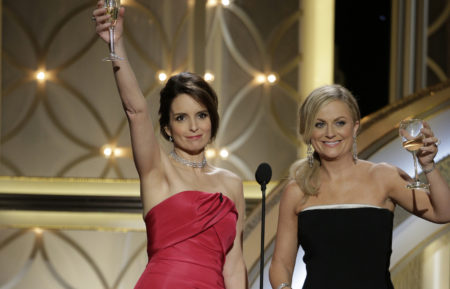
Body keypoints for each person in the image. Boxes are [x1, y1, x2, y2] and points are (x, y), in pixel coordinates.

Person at [92, 2, 248, 288]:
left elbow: (235, 265)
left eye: (201, 115)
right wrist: (116, 45)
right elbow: (135, 111)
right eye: (181, 117)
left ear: (212, 119)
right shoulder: (158, 170)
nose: (193, 126)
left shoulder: (232, 184)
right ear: (166, 127)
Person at [269, 84, 450, 289]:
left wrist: (428, 166)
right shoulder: (297, 190)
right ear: (308, 131)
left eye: (339, 123)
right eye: (319, 124)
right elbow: (280, 263)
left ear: (355, 127)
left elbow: (443, 212)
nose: (330, 133)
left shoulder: (384, 176)